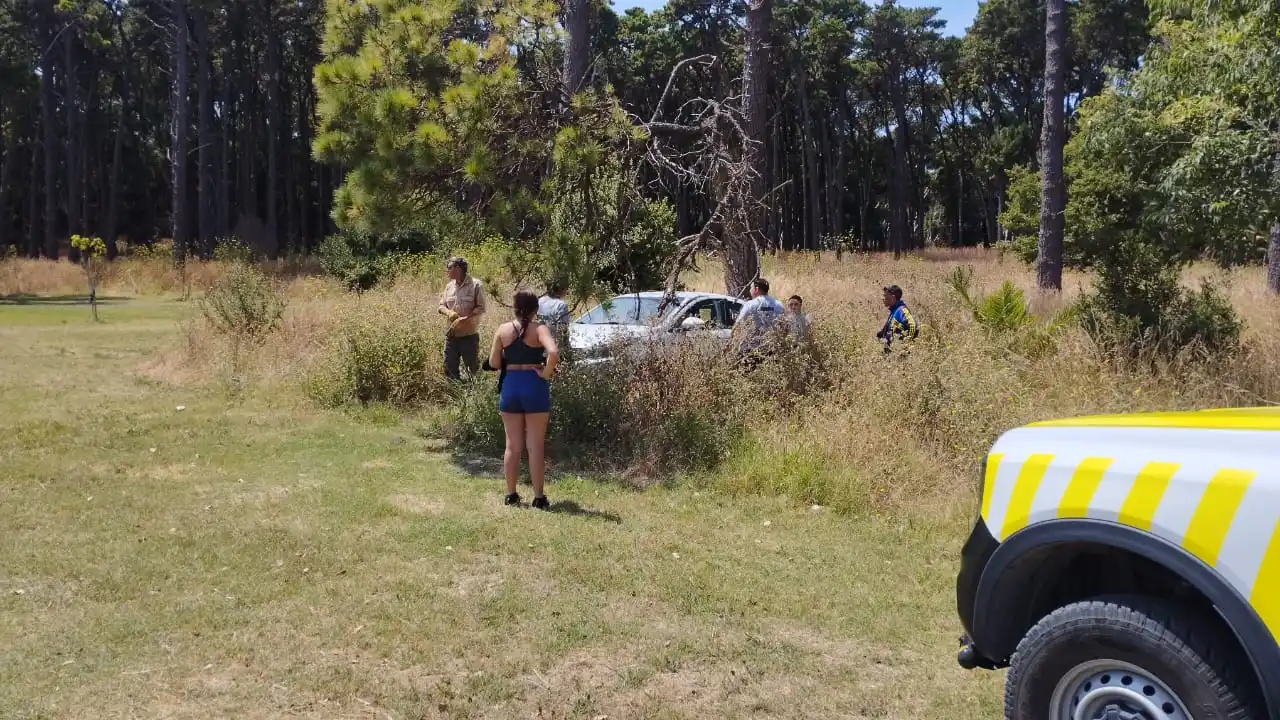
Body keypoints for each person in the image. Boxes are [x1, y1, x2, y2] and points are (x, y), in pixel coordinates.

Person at [485, 291, 559, 510]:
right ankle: (538, 497)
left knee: (512, 446)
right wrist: (545, 374)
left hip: (511, 386)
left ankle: (511, 494)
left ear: (514, 308)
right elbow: (553, 353)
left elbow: (494, 363)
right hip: (533, 386)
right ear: (536, 309)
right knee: (535, 446)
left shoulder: (503, 329)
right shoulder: (539, 329)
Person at [437, 256, 488, 381]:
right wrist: (448, 312)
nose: (447, 271)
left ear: (458, 268)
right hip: (451, 336)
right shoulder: (449, 286)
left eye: (449, 268)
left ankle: (473, 398)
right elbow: (441, 306)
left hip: (468, 336)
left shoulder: (476, 285)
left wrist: (466, 318)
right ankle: (454, 396)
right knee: (449, 368)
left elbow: (481, 307)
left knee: (472, 370)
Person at [734, 277, 785, 368]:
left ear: (756, 289)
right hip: (772, 349)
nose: (750, 290)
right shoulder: (779, 305)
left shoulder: (750, 305)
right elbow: (784, 326)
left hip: (751, 350)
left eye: (751, 288)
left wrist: (733, 340)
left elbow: (738, 325)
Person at [876, 284, 918, 353]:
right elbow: (895, 326)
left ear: (892, 298)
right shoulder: (894, 310)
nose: (883, 299)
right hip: (890, 355)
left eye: (886, 296)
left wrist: (905, 346)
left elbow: (912, 325)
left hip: (896, 354)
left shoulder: (902, 310)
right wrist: (881, 333)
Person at [537, 282, 571, 356]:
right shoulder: (561, 305)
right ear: (561, 290)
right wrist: (566, 349)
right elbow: (563, 329)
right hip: (555, 345)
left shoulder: (541, 301)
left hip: (541, 342)